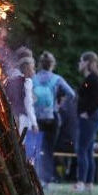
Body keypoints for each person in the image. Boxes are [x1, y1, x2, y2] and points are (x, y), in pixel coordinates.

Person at [32, 51, 74, 185]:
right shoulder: (57, 79)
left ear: (39, 64)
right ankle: (46, 180)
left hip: (36, 118)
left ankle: (36, 177)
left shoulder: (33, 78)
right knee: (49, 150)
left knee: (35, 149)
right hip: (52, 118)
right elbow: (71, 94)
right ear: (52, 64)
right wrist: (59, 105)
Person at [74, 51, 98, 192]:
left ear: (86, 63)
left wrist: (88, 112)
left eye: (81, 61)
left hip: (89, 119)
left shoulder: (93, 79)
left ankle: (81, 182)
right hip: (90, 118)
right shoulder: (90, 79)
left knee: (82, 149)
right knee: (88, 151)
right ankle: (88, 184)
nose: (79, 64)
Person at [5, 54, 38, 162]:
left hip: (13, 117)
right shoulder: (27, 82)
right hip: (24, 119)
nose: (34, 70)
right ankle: (30, 169)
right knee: (30, 148)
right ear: (27, 69)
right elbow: (28, 104)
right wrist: (34, 123)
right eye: (33, 68)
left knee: (18, 146)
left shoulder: (10, 81)